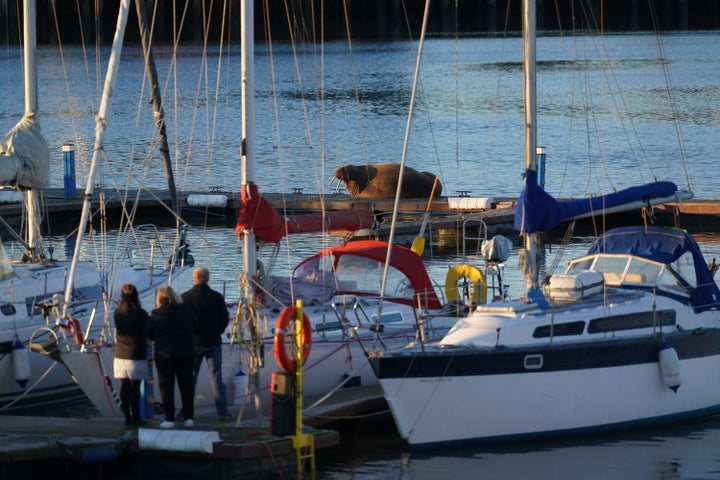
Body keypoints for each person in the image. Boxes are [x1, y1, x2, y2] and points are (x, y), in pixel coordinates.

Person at [182, 267, 231, 420]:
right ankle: (222, 412)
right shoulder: (216, 297)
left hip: (193, 343)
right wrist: (218, 331)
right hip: (213, 342)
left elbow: (182, 321)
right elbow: (224, 319)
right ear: (208, 278)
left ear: (194, 278)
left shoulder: (185, 298)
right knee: (217, 379)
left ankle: (185, 412)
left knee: (190, 379)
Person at [146, 285, 196, 429]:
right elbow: (195, 326)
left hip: (164, 355)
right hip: (186, 353)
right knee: (186, 386)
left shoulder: (156, 314)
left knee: (167, 387)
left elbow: (148, 336)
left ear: (159, 299)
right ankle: (189, 418)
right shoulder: (186, 311)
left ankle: (169, 419)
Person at [113, 283, 150, 426]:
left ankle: (127, 416)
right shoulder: (141, 314)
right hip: (136, 353)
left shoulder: (117, 313)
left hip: (120, 353)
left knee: (124, 386)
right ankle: (136, 417)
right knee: (135, 387)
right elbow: (147, 331)